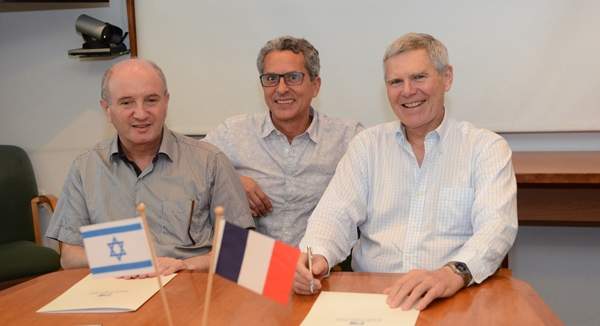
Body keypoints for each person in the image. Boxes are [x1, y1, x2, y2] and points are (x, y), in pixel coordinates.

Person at [294, 33, 518, 310]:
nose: (408, 91)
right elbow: (333, 215)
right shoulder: (367, 146)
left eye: (419, 78)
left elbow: (497, 228)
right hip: (375, 301)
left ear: (446, 78)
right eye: (395, 82)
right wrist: (316, 256)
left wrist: (451, 273)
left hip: (454, 299)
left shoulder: (485, 148)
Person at [46, 58, 254, 276]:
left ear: (166, 102)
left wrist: (185, 265)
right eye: (126, 102)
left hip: (189, 288)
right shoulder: (85, 168)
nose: (141, 113)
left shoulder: (210, 161)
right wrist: (131, 261)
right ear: (107, 109)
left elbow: (241, 250)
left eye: (151, 100)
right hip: (115, 292)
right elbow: (69, 256)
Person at [203, 36, 363, 246]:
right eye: (270, 78)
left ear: (315, 85)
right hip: (248, 267)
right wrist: (232, 181)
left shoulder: (348, 138)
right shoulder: (233, 133)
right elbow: (188, 167)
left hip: (320, 267)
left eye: (293, 77)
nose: (281, 89)